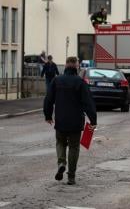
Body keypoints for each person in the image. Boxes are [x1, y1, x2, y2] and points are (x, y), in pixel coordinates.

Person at [44, 56, 97, 185]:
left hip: (61, 120)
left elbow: (48, 99)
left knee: (60, 143)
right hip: (76, 122)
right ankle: (71, 176)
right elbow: (88, 103)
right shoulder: (80, 82)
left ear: (66, 65)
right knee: (74, 147)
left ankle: (61, 162)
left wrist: (48, 115)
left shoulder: (57, 81)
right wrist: (93, 120)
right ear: (77, 66)